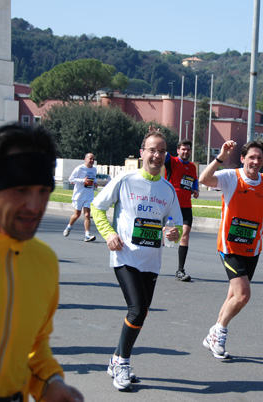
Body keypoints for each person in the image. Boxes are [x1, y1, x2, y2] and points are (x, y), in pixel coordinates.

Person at [0, 123, 84, 402]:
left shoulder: (44, 261)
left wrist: (50, 384)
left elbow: (36, 344)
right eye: (20, 190)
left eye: (43, 190)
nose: (35, 205)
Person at [90, 128, 182, 392]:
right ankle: (123, 363)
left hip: (152, 261)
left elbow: (174, 226)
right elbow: (97, 207)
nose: (157, 155)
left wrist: (173, 233)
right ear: (142, 153)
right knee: (137, 310)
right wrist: (108, 234)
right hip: (125, 256)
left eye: (162, 151)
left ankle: (115, 359)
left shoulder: (167, 190)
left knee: (140, 313)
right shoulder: (126, 180)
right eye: (152, 150)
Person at [199, 140, 263, 359]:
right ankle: (220, 331)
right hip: (230, 245)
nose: (256, 161)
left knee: (233, 294)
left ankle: (212, 334)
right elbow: (203, 180)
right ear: (243, 159)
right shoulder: (231, 176)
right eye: (251, 157)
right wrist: (221, 156)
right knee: (243, 295)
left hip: (252, 247)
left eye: (259, 158)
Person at [163, 136, 199, 282]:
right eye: (183, 149)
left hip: (186, 207)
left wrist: (196, 190)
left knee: (185, 234)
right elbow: (163, 153)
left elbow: (194, 180)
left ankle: (180, 270)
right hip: (170, 205)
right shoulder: (172, 162)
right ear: (178, 150)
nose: (185, 151)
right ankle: (146, 264)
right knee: (160, 235)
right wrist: (158, 136)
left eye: (188, 149)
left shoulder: (192, 167)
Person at [63, 153, 97, 242]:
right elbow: (71, 179)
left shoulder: (94, 169)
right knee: (77, 215)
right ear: (85, 159)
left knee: (87, 215)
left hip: (89, 195)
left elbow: (94, 178)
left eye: (93, 159)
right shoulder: (79, 168)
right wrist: (83, 180)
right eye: (90, 159)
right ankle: (69, 227)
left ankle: (87, 235)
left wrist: (95, 183)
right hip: (79, 195)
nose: (92, 161)